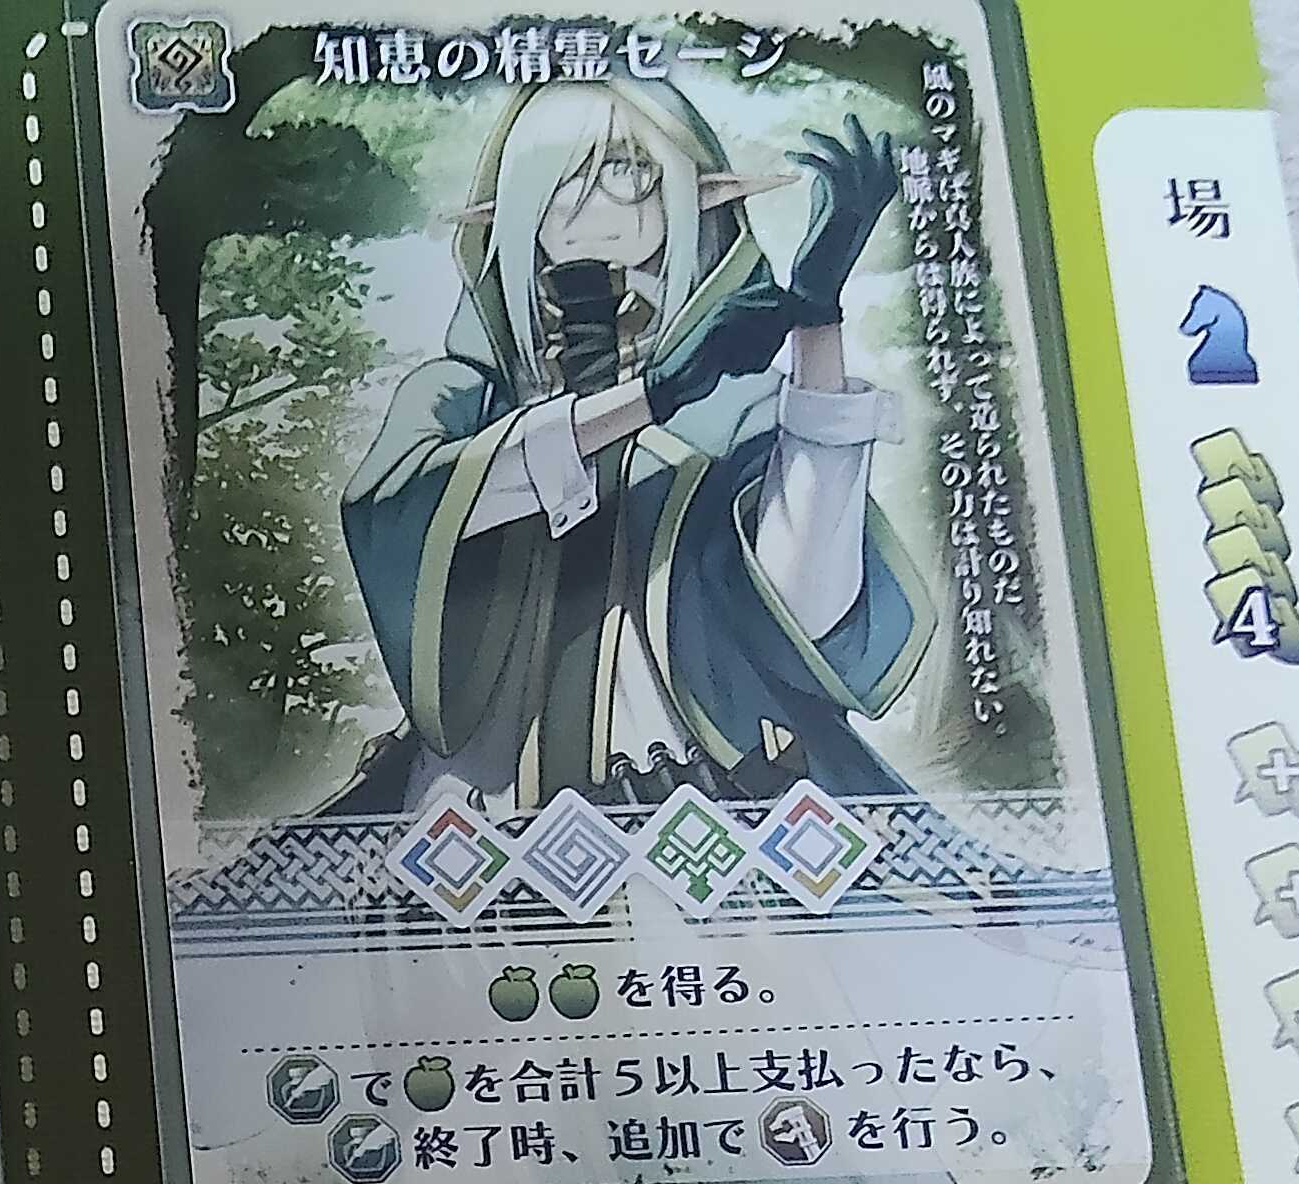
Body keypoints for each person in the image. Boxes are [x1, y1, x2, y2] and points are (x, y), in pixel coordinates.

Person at [326, 77, 924, 823]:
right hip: (487, 786)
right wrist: (652, 396)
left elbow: (811, 605)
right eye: (561, 176)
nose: (590, 203)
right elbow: (397, 511)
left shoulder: (738, 402)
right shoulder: (462, 393)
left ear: (689, 193)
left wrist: (816, 319)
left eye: (627, 169)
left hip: (705, 764)